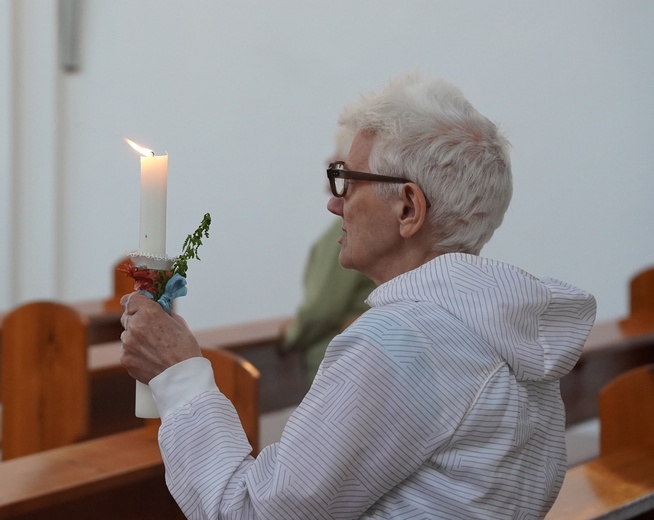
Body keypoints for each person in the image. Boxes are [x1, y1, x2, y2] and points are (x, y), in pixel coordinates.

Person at [120, 72, 596, 519]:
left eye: (347, 180)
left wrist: (177, 375)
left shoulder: (398, 343)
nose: (334, 202)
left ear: (408, 207)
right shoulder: (508, 335)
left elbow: (251, 510)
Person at [280, 128, 377, 387]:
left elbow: (320, 309)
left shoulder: (347, 232)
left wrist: (289, 337)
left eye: (336, 160)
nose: (327, 161)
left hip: (338, 367)